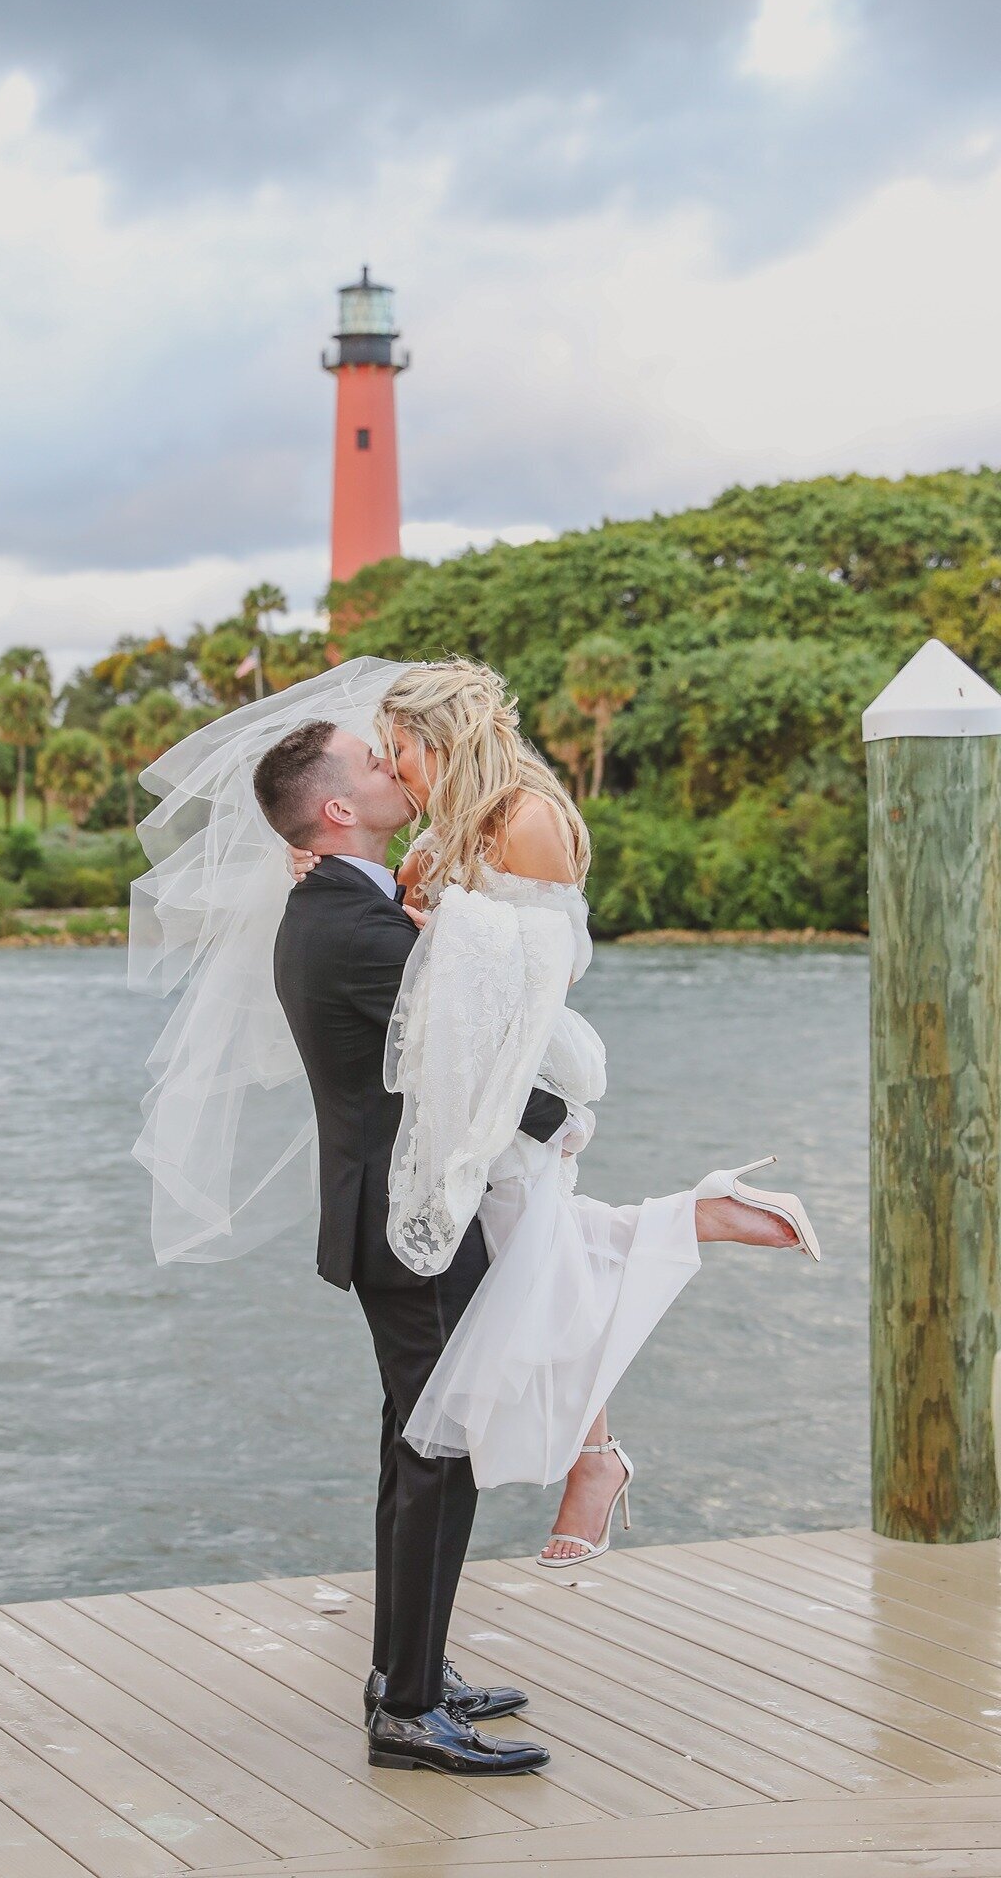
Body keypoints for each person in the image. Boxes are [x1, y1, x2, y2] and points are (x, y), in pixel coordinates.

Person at [287, 657, 819, 1569]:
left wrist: (437, 931)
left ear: (440, 739)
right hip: (474, 1075)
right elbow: (406, 925)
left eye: (402, 752)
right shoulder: (449, 829)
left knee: (532, 1262)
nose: (397, 771)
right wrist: (354, 880)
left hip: (522, 1063)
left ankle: (599, 1446)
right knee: (533, 1263)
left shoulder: (529, 820)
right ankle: (685, 1251)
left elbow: (554, 965)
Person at [253, 717, 558, 1775]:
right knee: (442, 1446)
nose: (394, 771)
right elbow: (471, 1050)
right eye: (375, 765)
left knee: (414, 1444)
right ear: (337, 809)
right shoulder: (353, 926)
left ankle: (405, 1675)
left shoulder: (349, 903)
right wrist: (563, 1117)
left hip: (394, 1213)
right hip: (409, 1225)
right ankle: (409, 1711)